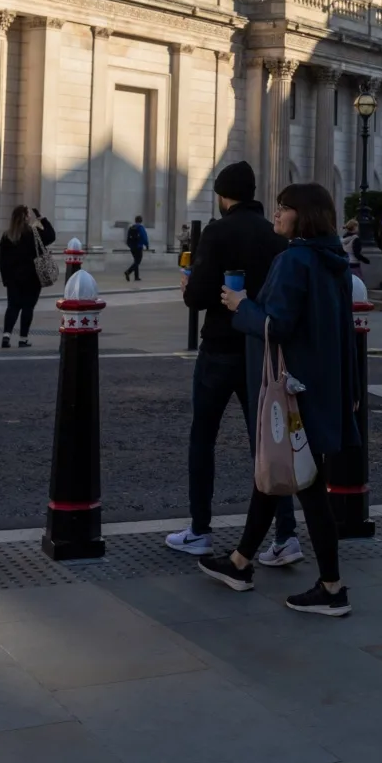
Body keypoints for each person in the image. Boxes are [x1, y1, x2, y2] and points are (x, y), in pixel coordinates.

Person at [200, 181, 361, 617]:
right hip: (323, 386)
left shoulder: (294, 261)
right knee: (275, 474)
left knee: (304, 485)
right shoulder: (336, 262)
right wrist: (351, 393)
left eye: (284, 208)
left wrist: (240, 305)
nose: (276, 214)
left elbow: (278, 325)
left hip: (292, 391)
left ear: (302, 215)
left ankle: (331, 588)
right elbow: (344, 333)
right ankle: (240, 563)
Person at [167, 163, 300, 564]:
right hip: (261, 350)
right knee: (267, 442)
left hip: (220, 347)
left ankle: (200, 530)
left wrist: (190, 287)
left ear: (224, 196)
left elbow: (202, 296)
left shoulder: (217, 232)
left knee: (203, 437)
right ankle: (286, 534)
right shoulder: (275, 236)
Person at [0, 205, 55, 348]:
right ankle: (23, 339)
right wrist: (42, 219)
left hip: (13, 278)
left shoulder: (7, 236)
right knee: (28, 307)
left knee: (12, 307)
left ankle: (6, 336)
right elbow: (51, 236)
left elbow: (2, 260)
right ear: (26, 217)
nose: (30, 216)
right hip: (32, 277)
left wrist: (6, 279)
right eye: (28, 214)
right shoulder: (34, 233)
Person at [123, 215, 149, 281]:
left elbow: (128, 238)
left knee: (135, 261)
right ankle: (128, 272)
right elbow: (144, 237)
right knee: (138, 261)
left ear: (135, 220)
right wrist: (147, 245)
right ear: (141, 221)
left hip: (132, 247)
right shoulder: (141, 228)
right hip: (139, 247)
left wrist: (130, 245)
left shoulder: (131, 227)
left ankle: (136, 277)